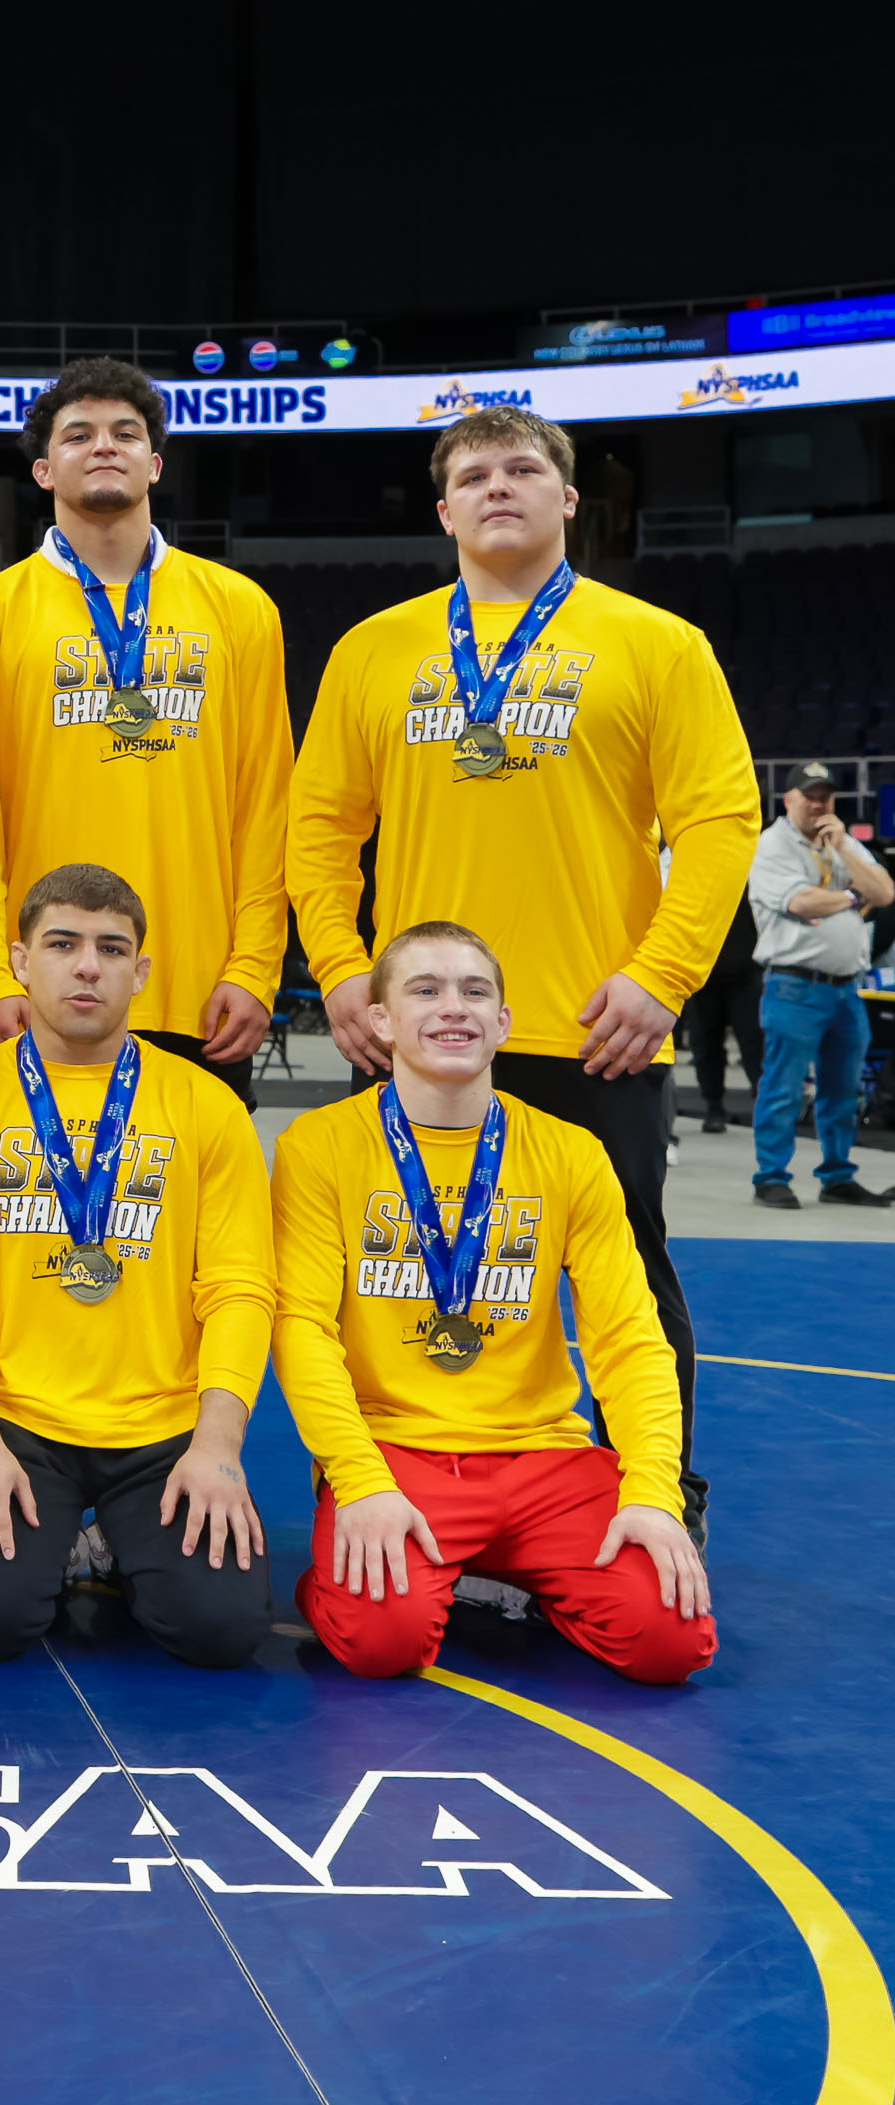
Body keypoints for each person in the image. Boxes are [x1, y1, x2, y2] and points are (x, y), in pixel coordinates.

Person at [289, 404, 758, 1539]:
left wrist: (662, 976)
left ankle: (661, 1492)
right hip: (417, 1033)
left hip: (597, 1023)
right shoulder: (373, 648)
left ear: (569, 499)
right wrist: (342, 968)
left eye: (522, 469)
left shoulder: (658, 643)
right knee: (394, 1274)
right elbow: (319, 829)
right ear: (444, 510)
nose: (498, 486)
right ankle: (376, 1488)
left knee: (627, 1277)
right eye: (474, 475)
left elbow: (719, 819)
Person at [274, 920, 713, 1683]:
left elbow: (631, 1340)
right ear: (381, 1020)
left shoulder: (572, 1153)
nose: (454, 1007)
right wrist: (358, 1478)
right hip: (398, 1453)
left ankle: (506, 1571)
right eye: (425, 990)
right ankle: (342, 1579)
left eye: (475, 991)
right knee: (383, 1641)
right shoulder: (318, 1146)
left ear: (503, 1021)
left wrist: (652, 1491)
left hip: (544, 1458)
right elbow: (301, 1328)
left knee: (672, 1643)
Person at [0, 863, 274, 1670]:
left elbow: (240, 1290)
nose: (88, 967)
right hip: (17, 1420)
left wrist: (218, 1445)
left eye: (111, 948)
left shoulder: (207, 1106)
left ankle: (113, 1540)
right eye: (62, 944)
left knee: (221, 1631)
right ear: (20, 961)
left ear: (141, 971)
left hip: (163, 1425)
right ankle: (64, 1532)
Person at [0, 360, 291, 1106]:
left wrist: (255, 966)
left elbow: (267, 807)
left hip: (201, 989)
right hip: (38, 988)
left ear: (154, 464)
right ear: (44, 470)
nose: (104, 445)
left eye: (125, 433)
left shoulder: (241, 608)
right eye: (79, 435)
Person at [746, 762, 893, 1206]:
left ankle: (837, 1176)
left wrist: (844, 847)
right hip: (794, 986)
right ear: (788, 799)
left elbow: (885, 893)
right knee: (784, 1087)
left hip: (847, 989)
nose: (817, 804)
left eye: (825, 796)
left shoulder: (841, 842)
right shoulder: (771, 845)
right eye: (809, 796)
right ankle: (771, 1176)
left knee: (843, 1089)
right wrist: (851, 895)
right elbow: (801, 901)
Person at [679, 893, 762, 1137]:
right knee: (705, 1044)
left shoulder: (750, 874)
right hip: (701, 972)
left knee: (754, 1042)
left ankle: (762, 1104)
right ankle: (713, 1106)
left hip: (747, 969)